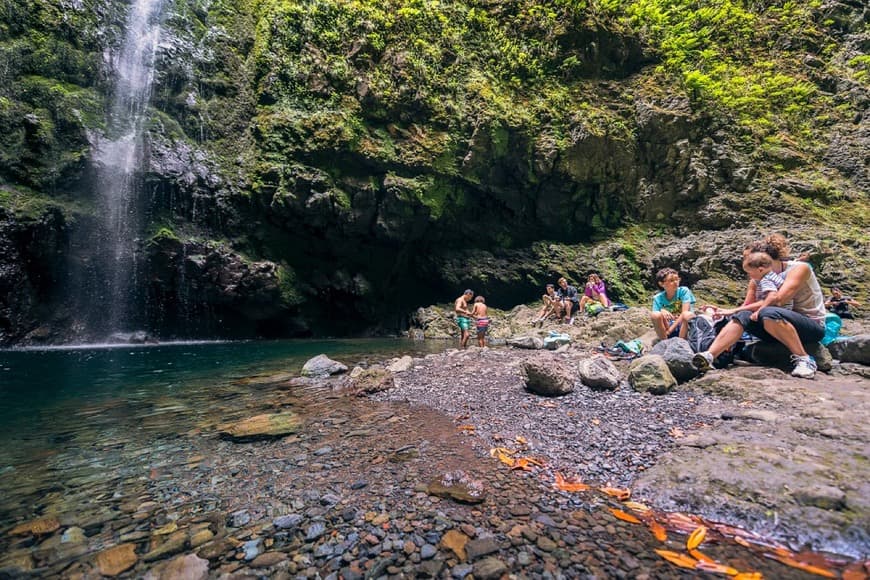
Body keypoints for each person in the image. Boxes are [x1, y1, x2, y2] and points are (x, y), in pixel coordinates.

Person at [694, 234, 826, 378]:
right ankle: (710, 356)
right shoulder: (756, 277)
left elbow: (779, 299)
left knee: (768, 312)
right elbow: (747, 307)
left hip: (809, 326)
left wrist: (734, 309)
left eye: (748, 258)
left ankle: (804, 359)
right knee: (743, 316)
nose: (746, 262)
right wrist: (725, 312)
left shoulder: (799, 268)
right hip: (773, 326)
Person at [650, 268, 696, 339]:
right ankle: (664, 341)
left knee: (687, 314)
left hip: (683, 325)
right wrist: (662, 311)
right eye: (671, 280)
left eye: (677, 279)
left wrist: (669, 331)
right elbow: (655, 317)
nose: (675, 282)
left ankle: (682, 343)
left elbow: (685, 313)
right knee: (655, 315)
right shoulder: (657, 298)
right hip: (667, 327)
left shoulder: (684, 291)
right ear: (661, 284)